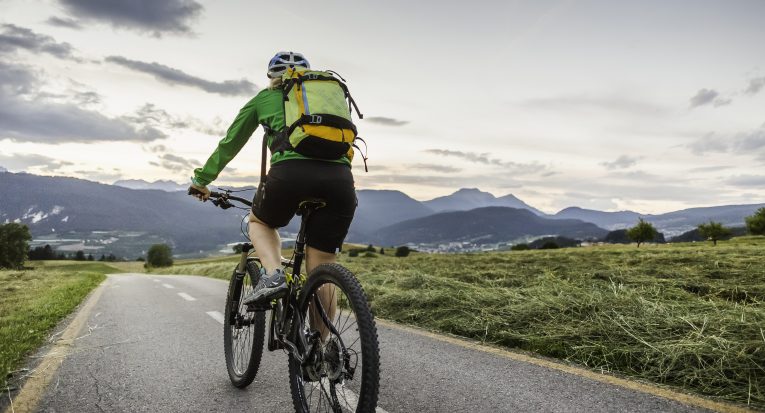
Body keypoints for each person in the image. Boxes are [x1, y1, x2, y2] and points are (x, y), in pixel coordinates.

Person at [188, 51, 357, 307]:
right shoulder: (327, 99)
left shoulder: (263, 99)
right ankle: (324, 345)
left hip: (289, 175)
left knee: (260, 222)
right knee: (322, 266)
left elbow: (229, 144)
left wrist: (201, 180)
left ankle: (274, 274)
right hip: (340, 180)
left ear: (271, 77)